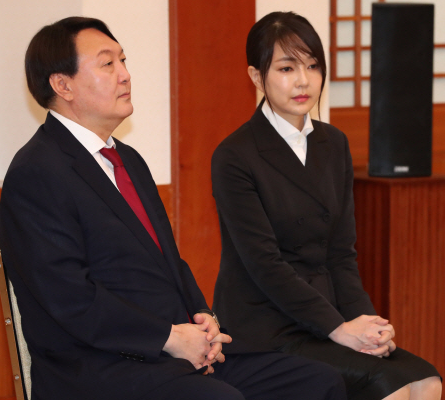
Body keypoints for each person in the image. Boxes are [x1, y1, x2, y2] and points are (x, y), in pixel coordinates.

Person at [0, 17, 347, 400]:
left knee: (318, 381)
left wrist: (205, 319)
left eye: (123, 60)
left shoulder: (128, 160)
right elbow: (70, 299)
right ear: (62, 85)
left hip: (170, 353)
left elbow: (170, 262)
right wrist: (168, 338)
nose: (125, 74)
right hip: (98, 368)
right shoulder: (36, 172)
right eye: (107, 64)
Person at [211, 11, 442, 400]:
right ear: (257, 77)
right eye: (287, 68)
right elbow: (265, 265)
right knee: (392, 389)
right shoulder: (234, 155)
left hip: (327, 316)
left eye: (313, 66)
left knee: (426, 381)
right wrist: (339, 329)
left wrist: (368, 325)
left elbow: (341, 254)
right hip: (267, 325)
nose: (303, 80)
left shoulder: (334, 143)